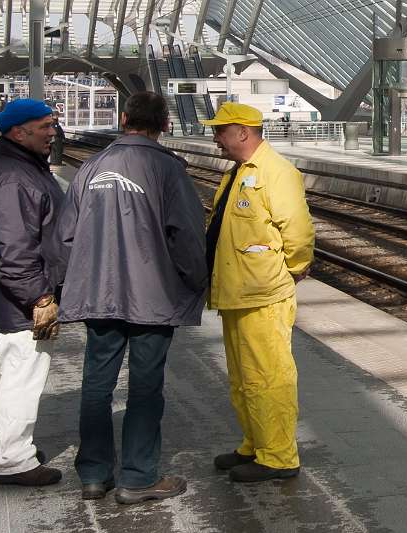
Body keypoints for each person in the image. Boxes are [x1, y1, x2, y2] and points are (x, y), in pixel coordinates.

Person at [49, 92, 207, 504]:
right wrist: (196, 281)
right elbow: (187, 235)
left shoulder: (90, 168)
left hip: (97, 293)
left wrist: (60, 286)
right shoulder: (168, 170)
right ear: (165, 125)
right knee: (145, 386)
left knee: (96, 384)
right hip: (151, 297)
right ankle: (137, 476)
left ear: (123, 119)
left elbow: (64, 236)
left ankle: (94, 475)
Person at [201, 102, 314, 483]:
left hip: (263, 293)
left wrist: (294, 270)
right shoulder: (238, 172)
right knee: (243, 376)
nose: (215, 137)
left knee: (269, 375)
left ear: (243, 132)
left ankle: (279, 456)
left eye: (220, 130)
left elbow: (297, 232)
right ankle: (255, 443)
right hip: (237, 290)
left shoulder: (277, 172)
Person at [0, 98, 62, 487]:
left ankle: (4, 449)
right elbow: (15, 248)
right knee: (21, 377)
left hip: (14, 298)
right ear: (18, 131)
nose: (51, 132)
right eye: (44, 126)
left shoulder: (20, 167)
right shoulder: (15, 179)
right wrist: (39, 297)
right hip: (21, 301)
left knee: (10, 372)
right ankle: (13, 461)